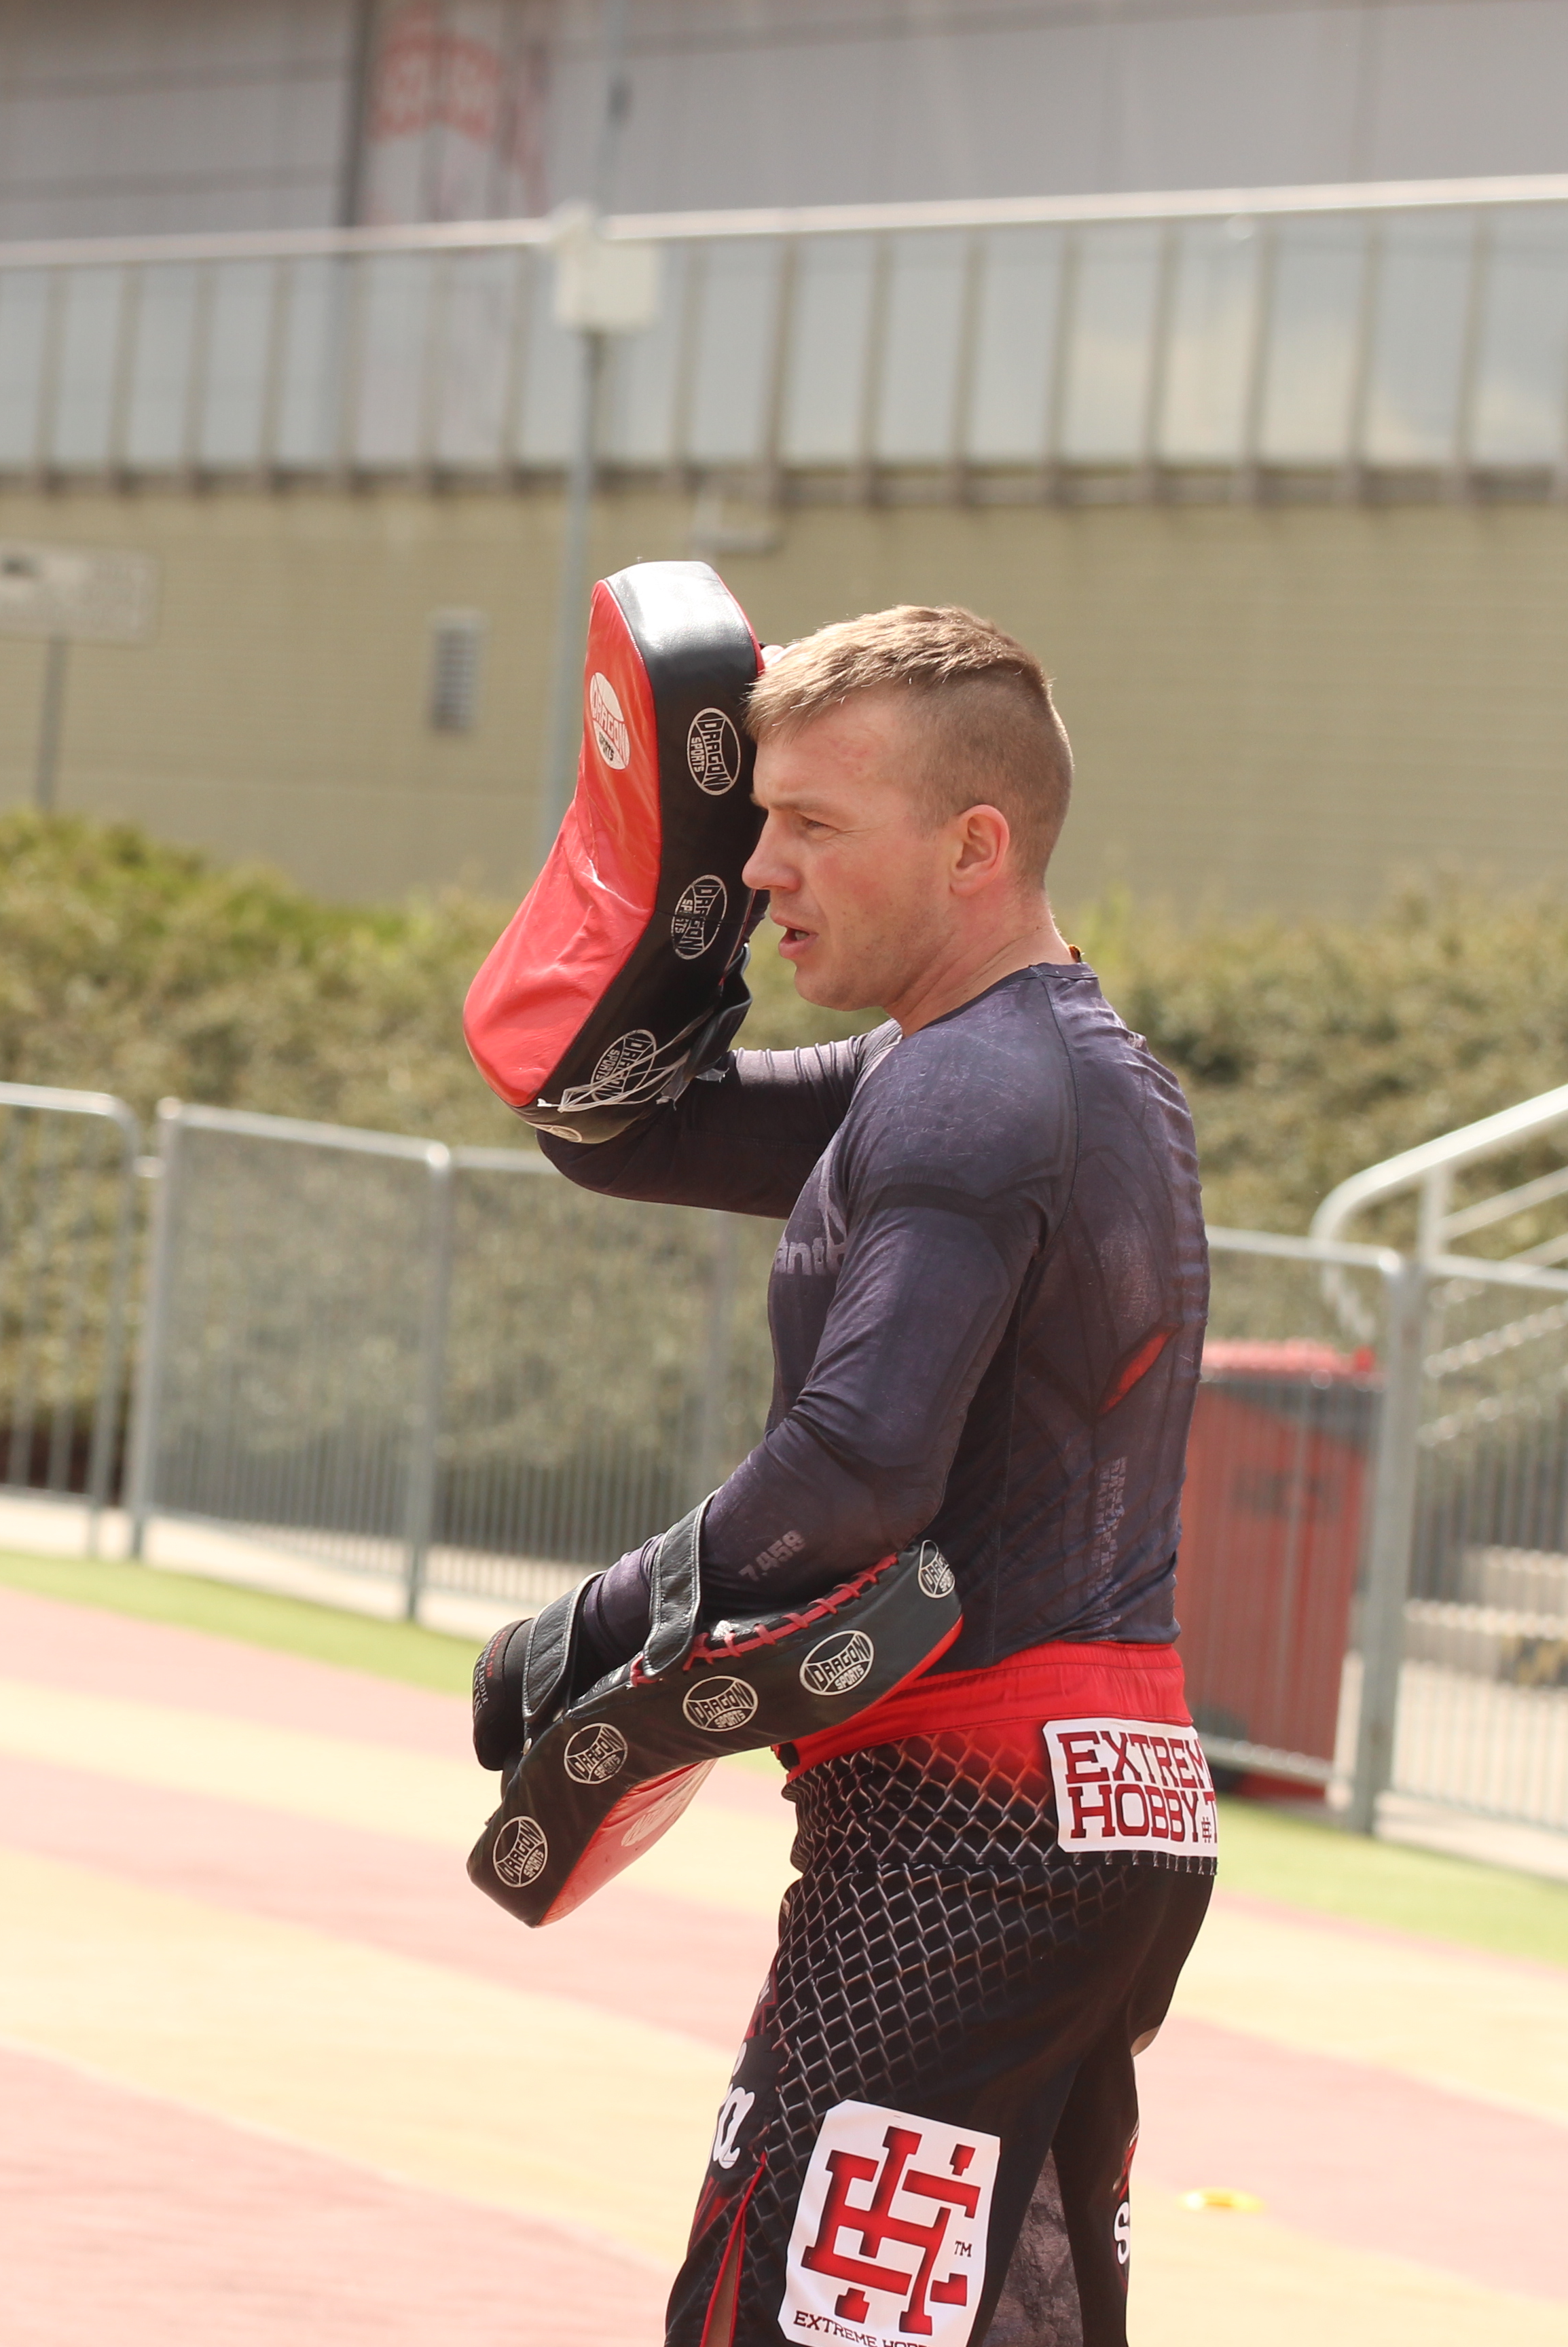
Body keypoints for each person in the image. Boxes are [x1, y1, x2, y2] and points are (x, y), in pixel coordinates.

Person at [478, 606, 1211, 2347]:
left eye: (812, 827)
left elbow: (859, 1470)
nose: (766, 866)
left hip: (970, 1837)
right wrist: (674, 891)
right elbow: (615, 1123)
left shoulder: (968, 1096)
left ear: (976, 845)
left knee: (782, 2319)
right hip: (1100, 1806)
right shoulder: (1024, 1069)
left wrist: (584, 1630)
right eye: (757, 825)